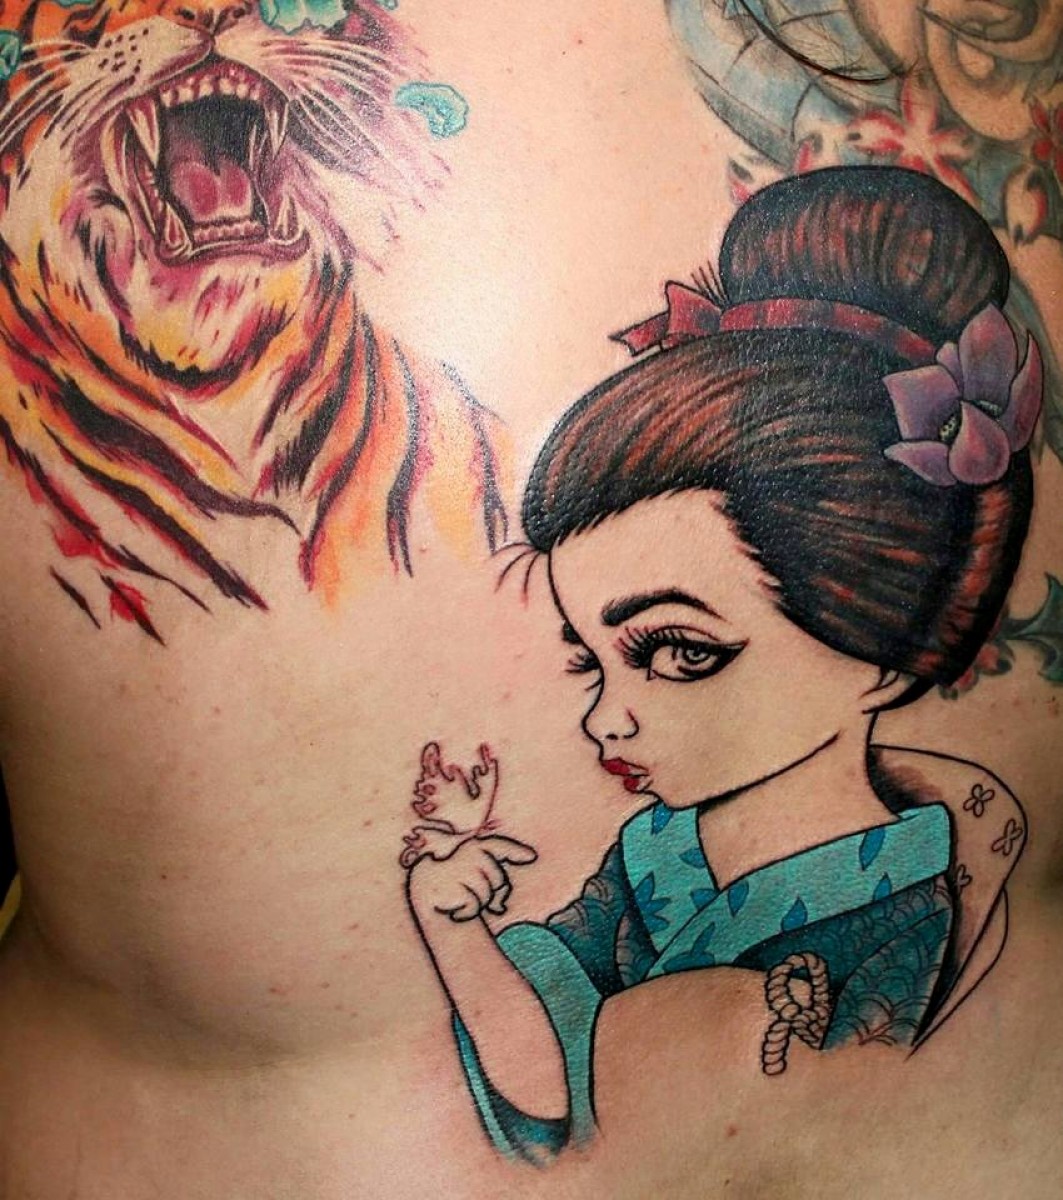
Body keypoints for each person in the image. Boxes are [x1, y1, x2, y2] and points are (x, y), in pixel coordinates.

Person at [403, 166, 1041, 1162]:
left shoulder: (905, 913)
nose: (605, 720)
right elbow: (546, 1074)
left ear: (881, 654)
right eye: (592, 662)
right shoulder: (652, 859)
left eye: (677, 652)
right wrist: (453, 934)